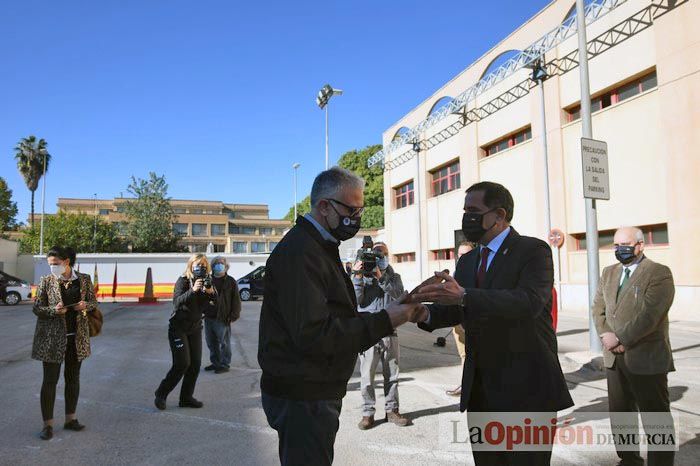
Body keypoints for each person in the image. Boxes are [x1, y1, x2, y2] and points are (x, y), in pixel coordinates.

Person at [258, 167, 426, 466]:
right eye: (352, 209)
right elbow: (314, 334)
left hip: (312, 390)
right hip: (303, 396)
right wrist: (387, 320)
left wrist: (392, 308)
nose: (358, 217)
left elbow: (338, 311)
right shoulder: (301, 252)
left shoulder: (319, 246)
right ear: (324, 206)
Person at [411, 181, 573, 466]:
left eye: (473, 210)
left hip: (527, 390)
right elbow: (459, 309)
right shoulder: (470, 259)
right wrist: (422, 313)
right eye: (465, 211)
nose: (466, 218)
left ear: (499, 215)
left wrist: (464, 295)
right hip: (482, 390)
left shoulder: (533, 251)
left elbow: (528, 302)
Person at [593, 226, 676, 466]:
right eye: (616, 245)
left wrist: (620, 339)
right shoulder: (609, 272)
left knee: (656, 417)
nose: (620, 250)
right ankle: (629, 459)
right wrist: (606, 334)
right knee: (621, 415)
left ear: (640, 245)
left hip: (646, 358)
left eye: (625, 245)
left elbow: (650, 315)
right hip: (614, 358)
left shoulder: (659, 273)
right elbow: (598, 309)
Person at [32, 246, 98, 440]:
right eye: (50, 264)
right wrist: (54, 310)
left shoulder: (84, 279)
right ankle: (48, 425)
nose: (52, 267)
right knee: (50, 381)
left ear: (67, 262)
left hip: (77, 338)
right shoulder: (46, 281)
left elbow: (94, 303)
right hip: (52, 340)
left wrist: (86, 305)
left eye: (55, 264)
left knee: (73, 379)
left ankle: (71, 419)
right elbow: (37, 308)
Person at [352, 241, 409, 430]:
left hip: (390, 331)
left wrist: (381, 278)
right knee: (367, 377)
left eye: (382, 254)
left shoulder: (394, 277)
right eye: (375, 254)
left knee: (392, 375)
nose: (377, 257)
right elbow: (355, 299)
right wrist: (357, 276)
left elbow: (399, 296)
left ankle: (392, 411)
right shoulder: (361, 277)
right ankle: (368, 413)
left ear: (387, 256)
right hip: (367, 332)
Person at [154, 254, 216, 410]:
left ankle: (186, 397)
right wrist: (193, 290)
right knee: (182, 363)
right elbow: (176, 302)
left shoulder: (208, 282)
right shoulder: (183, 280)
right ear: (190, 265)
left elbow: (216, 305)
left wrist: (210, 293)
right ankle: (161, 393)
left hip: (195, 328)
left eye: (203, 265)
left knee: (195, 364)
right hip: (178, 328)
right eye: (197, 264)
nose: (200, 267)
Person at [203, 256, 241, 374]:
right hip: (209, 317)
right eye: (216, 263)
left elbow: (236, 300)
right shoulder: (207, 280)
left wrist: (233, 315)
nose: (219, 265)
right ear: (212, 266)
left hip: (223, 317)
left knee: (224, 343)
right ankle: (216, 362)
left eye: (221, 263)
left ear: (226, 266)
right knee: (211, 342)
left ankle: (224, 364)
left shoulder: (231, 281)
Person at [446, 241, 474, 397]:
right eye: (461, 254)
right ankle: (465, 385)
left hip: (473, 322)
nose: (463, 257)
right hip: (458, 321)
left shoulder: (479, 272)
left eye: (467, 254)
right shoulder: (456, 273)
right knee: (464, 355)